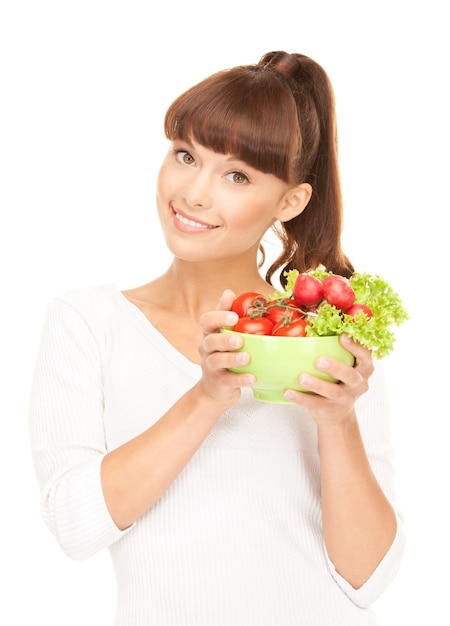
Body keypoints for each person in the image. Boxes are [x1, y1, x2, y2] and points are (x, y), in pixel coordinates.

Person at [29, 51, 404, 625]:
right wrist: (207, 396)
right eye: (186, 155)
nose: (195, 193)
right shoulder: (88, 322)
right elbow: (76, 526)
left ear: (290, 202)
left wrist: (338, 420)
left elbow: (367, 578)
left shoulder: (325, 340)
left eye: (236, 175)